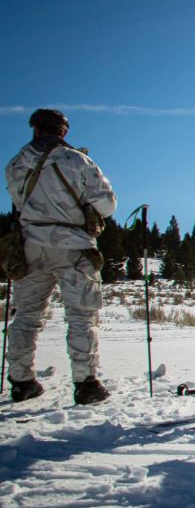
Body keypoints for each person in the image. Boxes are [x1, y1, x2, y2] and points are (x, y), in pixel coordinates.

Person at [4, 108, 116, 404]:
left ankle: (21, 380)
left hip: (30, 245)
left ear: (36, 129)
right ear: (63, 131)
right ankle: (86, 383)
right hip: (72, 244)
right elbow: (107, 204)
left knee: (26, 316)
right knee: (81, 315)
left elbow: (17, 200)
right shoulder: (78, 161)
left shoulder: (17, 163)